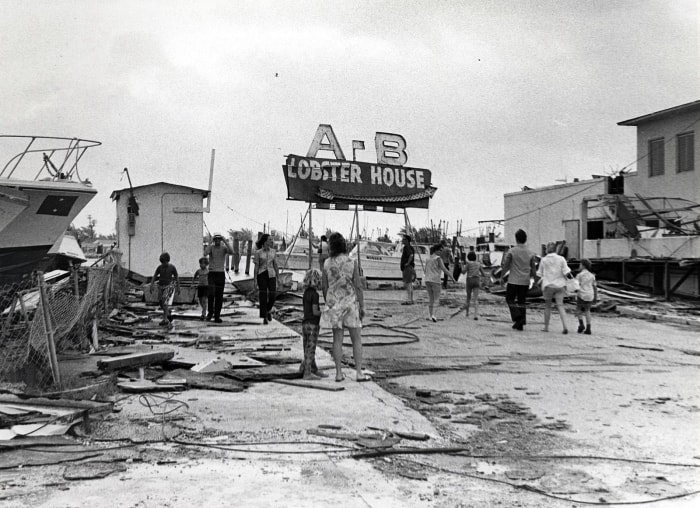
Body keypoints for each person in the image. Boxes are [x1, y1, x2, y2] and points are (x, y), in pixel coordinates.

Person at [321, 232, 368, 382]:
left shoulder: (327, 263)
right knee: (356, 339)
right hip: (350, 304)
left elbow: (324, 285)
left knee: (337, 340)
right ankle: (359, 372)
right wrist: (362, 306)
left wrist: (328, 301)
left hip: (334, 304)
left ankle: (339, 373)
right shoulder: (351, 262)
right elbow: (358, 286)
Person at [500, 229, 536, 331]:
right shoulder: (530, 253)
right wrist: (535, 280)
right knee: (522, 301)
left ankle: (518, 317)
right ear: (525, 239)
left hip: (513, 280)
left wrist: (502, 277)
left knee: (509, 299)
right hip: (525, 281)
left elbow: (506, 265)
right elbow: (533, 268)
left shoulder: (512, 251)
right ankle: (520, 322)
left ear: (516, 239)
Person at [537, 241, 574, 334]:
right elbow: (567, 272)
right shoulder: (561, 259)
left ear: (547, 250)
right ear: (555, 249)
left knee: (547, 306)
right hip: (560, 285)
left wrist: (538, 282)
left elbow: (539, 274)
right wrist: (573, 282)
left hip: (548, 285)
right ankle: (565, 326)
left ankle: (546, 327)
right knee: (560, 306)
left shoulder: (543, 260)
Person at [298, 269, 327, 380]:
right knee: (311, 348)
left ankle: (312, 368)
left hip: (305, 323)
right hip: (313, 324)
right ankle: (307, 372)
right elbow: (315, 311)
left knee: (307, 347)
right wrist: (324, 313)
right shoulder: (315, 295)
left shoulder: (305, 293)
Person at [424, 244, 456, 322]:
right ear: (437, 250)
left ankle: (430, 315)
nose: (441, 252)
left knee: (431, 298)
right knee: (436, 298)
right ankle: (434, 315)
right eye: (440, 250)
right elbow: (444, 269)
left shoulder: (428, 258)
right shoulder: (438, 258)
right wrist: (452, 278)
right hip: (435, 280)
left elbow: (425, 270)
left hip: (427, 279)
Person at [206, 233, 232, 323]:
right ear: (214, 240)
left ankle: (217, 315)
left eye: (219, 239)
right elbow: (205, 253)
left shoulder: (224, 248)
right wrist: (210, 242)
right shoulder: (211, 248)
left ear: (220, 240)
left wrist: (225, 240)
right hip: (212, 273)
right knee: (211, 294)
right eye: (215, 239)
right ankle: (210, 312)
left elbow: (232, 252)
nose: (217, 241)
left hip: (220, 273)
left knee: (219, 296)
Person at [253, 233, 279, 325]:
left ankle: (268, 310)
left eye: (272, 240)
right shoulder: (258, 252)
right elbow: (256, 266)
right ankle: (264, 316)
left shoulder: (273, 251)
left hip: (271, 274)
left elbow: (275, 265)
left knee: (273, 295)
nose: (271, 241)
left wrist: (278, 277)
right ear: (265, 241)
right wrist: (255, 280)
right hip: (261, 274)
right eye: (269, 240)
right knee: (263, 295)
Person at [150, 252, 180, 327]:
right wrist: (151, 285)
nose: (164, 264)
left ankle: (165, 319)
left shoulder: (172, 267)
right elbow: (155, 276)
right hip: (160, 286)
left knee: (165, 300)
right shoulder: (160, 267)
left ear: (168, 260)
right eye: (162, 262)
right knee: (160, 301)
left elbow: (176, 276)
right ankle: (168, 313)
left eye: (165, 262)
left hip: (169, 286)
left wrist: (178, 287)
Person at [462, 250, 486, 320]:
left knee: (468, 298)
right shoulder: (478, 264)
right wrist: (483, 281)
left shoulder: (468, 264)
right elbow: (483, 274)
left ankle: (467, 313)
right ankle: (476, 315)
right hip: (477, 280)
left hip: (469, 280)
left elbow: (463, 272)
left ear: (468, 258)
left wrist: (461, 265)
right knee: (476, 298)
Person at [575, 258, 598, 334]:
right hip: (590, 295)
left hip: (581, 294)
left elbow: (576, 285)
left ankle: (581, 324)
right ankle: (588, 328)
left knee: (579, 310)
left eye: (580, 264)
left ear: (583, 265)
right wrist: (595, 296)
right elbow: (594, 286)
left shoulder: (579, 275)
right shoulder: (592, 276)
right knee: (587, 311)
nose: (579, 266)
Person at [400, 235, 416, 305]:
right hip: (409, 267)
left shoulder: (407, 247)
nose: (402, 240)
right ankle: (411, 299)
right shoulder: (408, 247)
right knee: (409, 284)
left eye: (404, 239)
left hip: (408, 267)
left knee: (408, 283)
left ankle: (409, 299)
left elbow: (411, 255)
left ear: (407, 240)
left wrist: (407, 263)